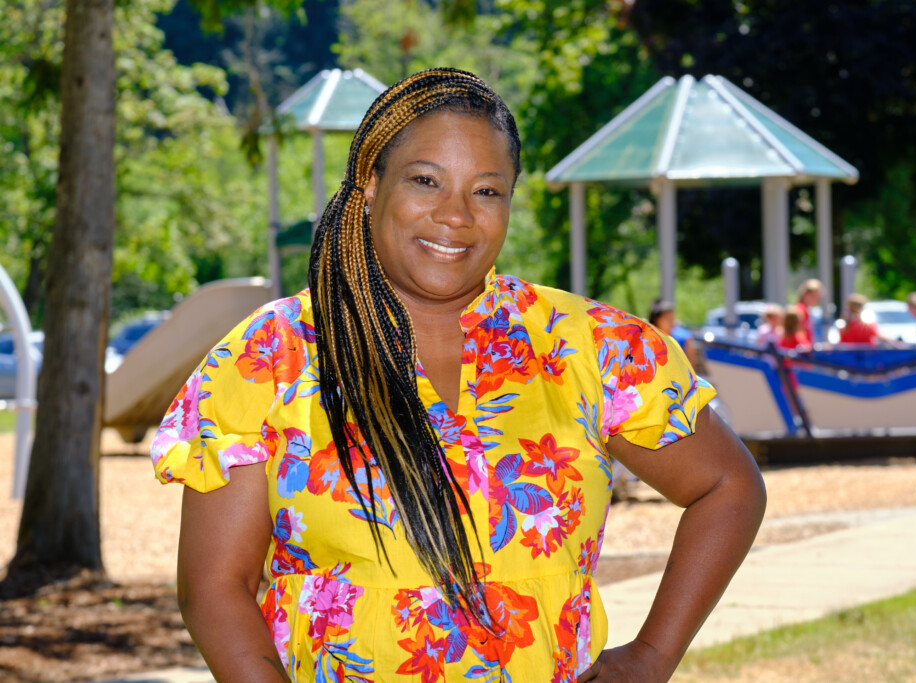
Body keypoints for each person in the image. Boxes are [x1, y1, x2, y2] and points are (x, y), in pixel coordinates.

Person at [151, 68, 765, 683]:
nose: (456, 215)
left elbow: (728, 487)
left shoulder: (589, 345)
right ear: (370, 183)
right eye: (426, 181)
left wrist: (652, 656)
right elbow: (213, 587)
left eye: (487, 191)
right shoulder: (272, 354)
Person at [649, 299, 698, 366]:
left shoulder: (684, 338)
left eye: (672, 317)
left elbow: (691, 368)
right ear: (656, 319)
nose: (671, 321)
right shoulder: (648, 339)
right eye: (667, 318)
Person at [794, 278, 823, 344]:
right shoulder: (800, 310)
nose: (817, 299)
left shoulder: (807, 310)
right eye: (815, 296)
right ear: (806, 294)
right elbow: (798, 333)